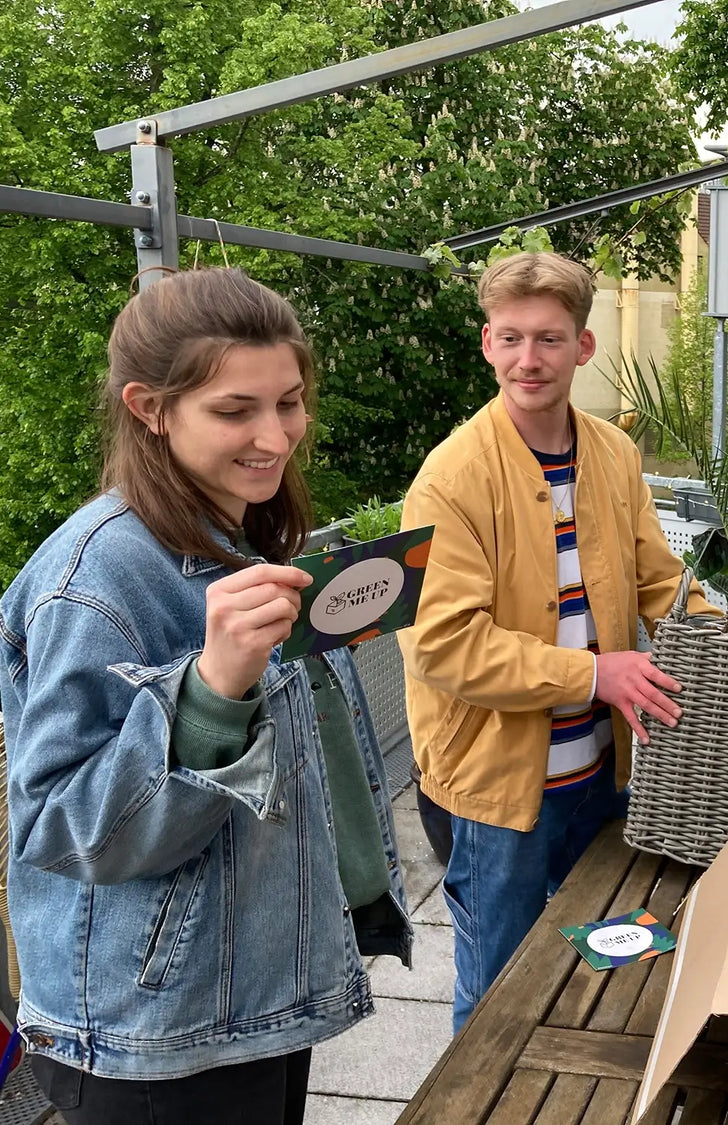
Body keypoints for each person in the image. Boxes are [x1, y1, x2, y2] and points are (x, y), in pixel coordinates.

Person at [0, 268, 412, 1125]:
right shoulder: (95, 579)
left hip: (256, 997)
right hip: (155, 1035)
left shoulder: (245, 532)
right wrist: (212, 688)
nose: (274, 435)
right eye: (235, 410)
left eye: (289, 402)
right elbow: (58, 827)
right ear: (150, 407)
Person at [398, 252, 715, 1032]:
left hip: (605, 773)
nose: (528, 359)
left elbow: (659, 581)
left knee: (606, 963)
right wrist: (594, 675)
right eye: (510, 338)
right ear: (487, 343)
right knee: (495, 991)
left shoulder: (614, 453)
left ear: (583, 345)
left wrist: (723, 646)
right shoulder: (450, 477)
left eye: (547, 338)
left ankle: (578, 1082)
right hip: (498, 793)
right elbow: (442, 645)